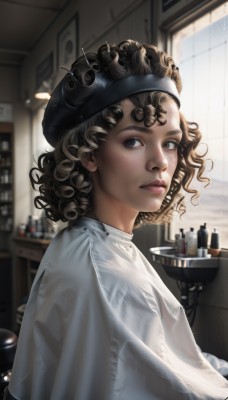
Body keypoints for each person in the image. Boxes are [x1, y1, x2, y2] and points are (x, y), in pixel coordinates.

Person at [5, 39, 228, 399]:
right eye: (134, 141)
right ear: (90, 153)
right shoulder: (107, 276)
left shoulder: (87, 242)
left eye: (170, 143)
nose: (160, 161)